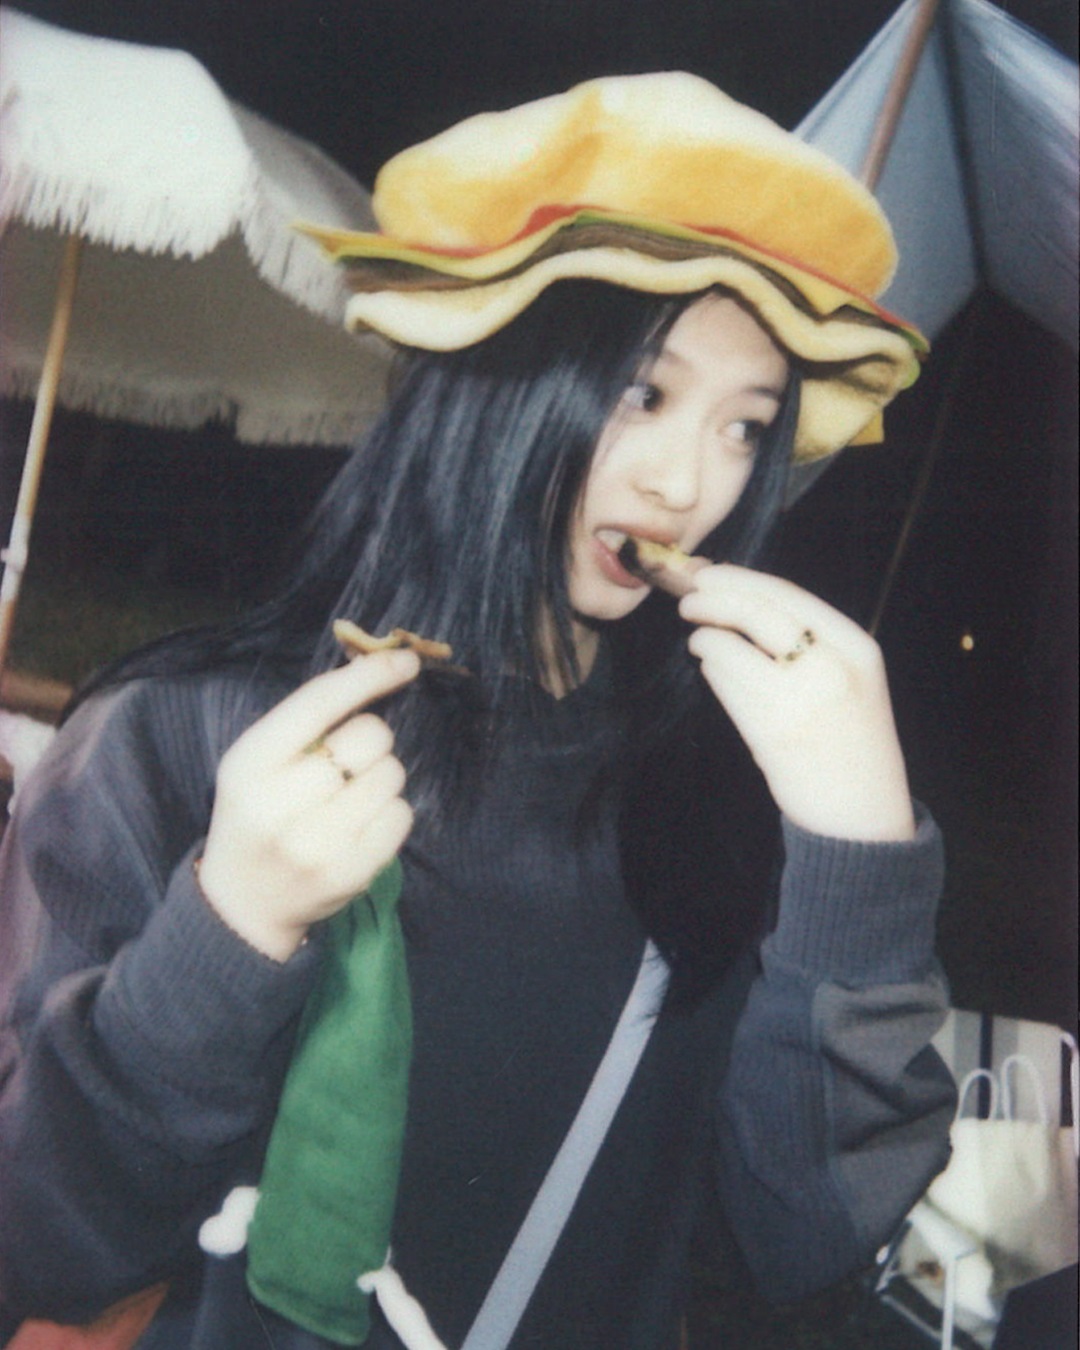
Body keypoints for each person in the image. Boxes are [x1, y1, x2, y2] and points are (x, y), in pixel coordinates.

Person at [0, 72, 955, 1350]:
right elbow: (31, 1240)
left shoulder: (726, 802)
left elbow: (798, 1255)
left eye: (748, 426)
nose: (691, 485)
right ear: (497, 374)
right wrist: (228, 931)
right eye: (645, 393)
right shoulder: (179, 737)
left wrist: (861, 856)